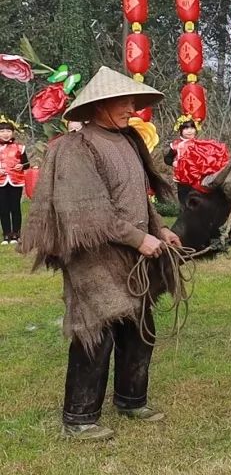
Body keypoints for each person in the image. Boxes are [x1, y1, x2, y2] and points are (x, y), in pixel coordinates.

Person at [19, 66, 184, 441]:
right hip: (93, 256)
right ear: (100, 104)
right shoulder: (78, 148)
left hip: (129, 253)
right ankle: (78, 419)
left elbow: (138, 199)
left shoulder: (127, 141)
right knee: (95, 333)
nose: (131, 107)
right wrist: (139, 239)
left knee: (140, 330)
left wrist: (159, 230)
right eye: (124, 101)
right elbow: (90, 213)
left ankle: (130, 399)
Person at [0, 115, 29, 245]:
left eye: (8, 131)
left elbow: (26, 164)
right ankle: (6, 234)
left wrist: (21, 165)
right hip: (1, 181)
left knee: (15, 207)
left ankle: (17, 233)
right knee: (3, 208)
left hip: (15, 180)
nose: (5, 134)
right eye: (2, 131)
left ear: (13, 133)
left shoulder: (20, 147)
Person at [162, 115, 200, 205]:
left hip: (197, 178)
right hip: (182, 179)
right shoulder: (176, 145)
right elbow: (167, 158)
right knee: (183, 200)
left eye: (192, 128)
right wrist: (173, 163)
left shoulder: (199, 144)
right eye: (186, 128)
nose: (190, 131)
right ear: (181, 130)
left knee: (196, 200)